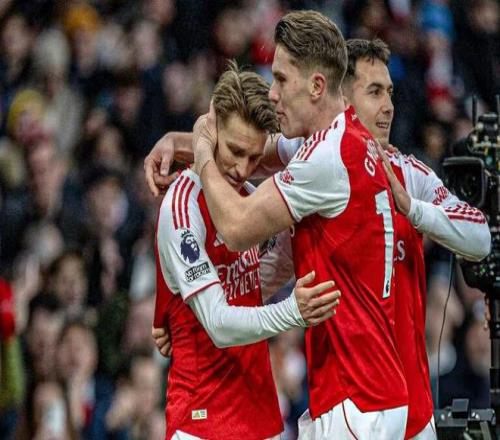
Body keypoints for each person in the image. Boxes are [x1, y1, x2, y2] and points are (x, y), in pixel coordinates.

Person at [188, 11, 409, 439]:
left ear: (316, 86)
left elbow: (235, 226)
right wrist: (173, 143)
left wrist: (200, 148)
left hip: (356, 399)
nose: (272, 93)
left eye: (281, 79)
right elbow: (256, 153)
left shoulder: (326, 160)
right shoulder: (347, 138)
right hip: (371, 392)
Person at [154, 61, 340, 439]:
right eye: (235, 151)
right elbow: (219, 324)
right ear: (212, 128)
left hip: (261, 416)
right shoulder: (182, 208)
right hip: (201, 423)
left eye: (254, 158)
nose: (242, 169)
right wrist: (293, 311)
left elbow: (254, 285)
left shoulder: (248, 199)